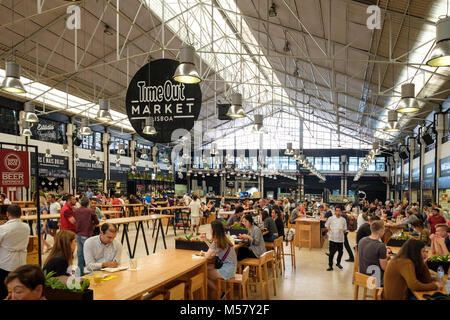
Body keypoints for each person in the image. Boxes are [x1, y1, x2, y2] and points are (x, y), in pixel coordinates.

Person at [200, 220, 237, 299]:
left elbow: (207, 256)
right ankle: (221, 291)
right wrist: (206, 240)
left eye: (210, 228)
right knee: (208, 268)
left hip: (227, 271)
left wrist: (204, 254)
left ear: (213, 230)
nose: (209, 230)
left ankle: (219, 292)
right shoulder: (224, 239)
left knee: (202, 274)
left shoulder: (216, 242)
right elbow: (214, 250)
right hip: (232, 268)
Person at [0, 205, 30, 299]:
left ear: (7, 214)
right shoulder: (26, 227)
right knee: (18, 288)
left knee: (5, 290)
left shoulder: (3, 228)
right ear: (20, 214)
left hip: (6, 263)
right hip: (21, 262)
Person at [358, 221, 390, 286]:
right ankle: (383, 295)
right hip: (375, 278)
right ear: (380, 231)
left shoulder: (362, 240)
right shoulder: (381, 246)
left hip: (362, 275)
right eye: (384, 229)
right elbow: (385, 267)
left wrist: (384, 255)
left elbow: (370, 255)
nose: (384, 231)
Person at [74, 197, 99, 276]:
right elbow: (97, 222)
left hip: (78, 234)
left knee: (80, 255)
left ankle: (80, 273)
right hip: (87, 234)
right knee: (90, 254)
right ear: (88, 203)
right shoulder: (90, 211)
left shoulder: (76, 210)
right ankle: (92, 273)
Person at [325, 205, 347, 271]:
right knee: (331, 253)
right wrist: (329, 230)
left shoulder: (343, 220)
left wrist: (343, 230)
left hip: (340, 238)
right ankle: (330, 266)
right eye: (336, 211)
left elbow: (345, 229)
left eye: (339, 211)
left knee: (340, 252)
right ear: (335, 211)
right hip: (332, 238)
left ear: (341, 212)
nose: (338, 212)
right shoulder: (331, 218)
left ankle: (338, 263)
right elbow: (326, 225)